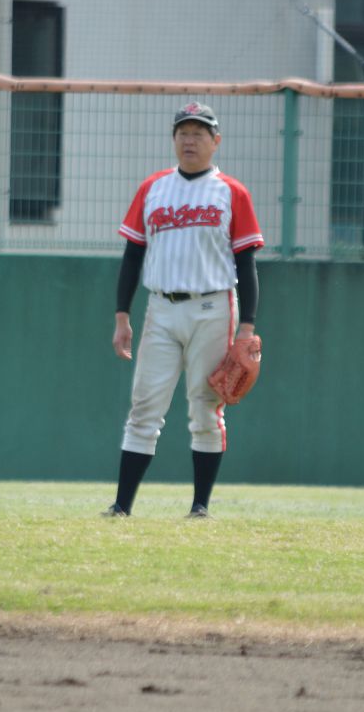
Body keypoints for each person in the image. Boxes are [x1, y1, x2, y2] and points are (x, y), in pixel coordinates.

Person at [105, 102, 264, 519]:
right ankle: (121, 507)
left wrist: (246, 327)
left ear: (216, 141)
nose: (190, 140)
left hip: (213, 307)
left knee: (206, 407)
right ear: (174, 139)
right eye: (183, 132)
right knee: (144, 408)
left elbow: (246, 264)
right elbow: (132, 255)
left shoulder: (231, 192)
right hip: (161, 307)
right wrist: (122, 316)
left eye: (199, 133)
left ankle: (200, 507)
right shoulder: (153, 188)